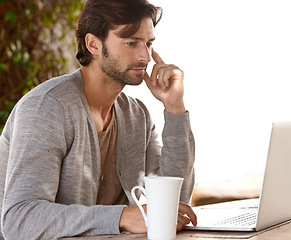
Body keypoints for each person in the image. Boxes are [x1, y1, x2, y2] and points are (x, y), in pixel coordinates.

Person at [0, 0, 197, 239]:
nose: (145, 56)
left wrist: (174, 108)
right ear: (93, 44)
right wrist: (123, 217)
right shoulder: (47, 108)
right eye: (131, 42)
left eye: (149, 43)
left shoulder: (138, 117)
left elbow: (177, 202)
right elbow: (19, 220)